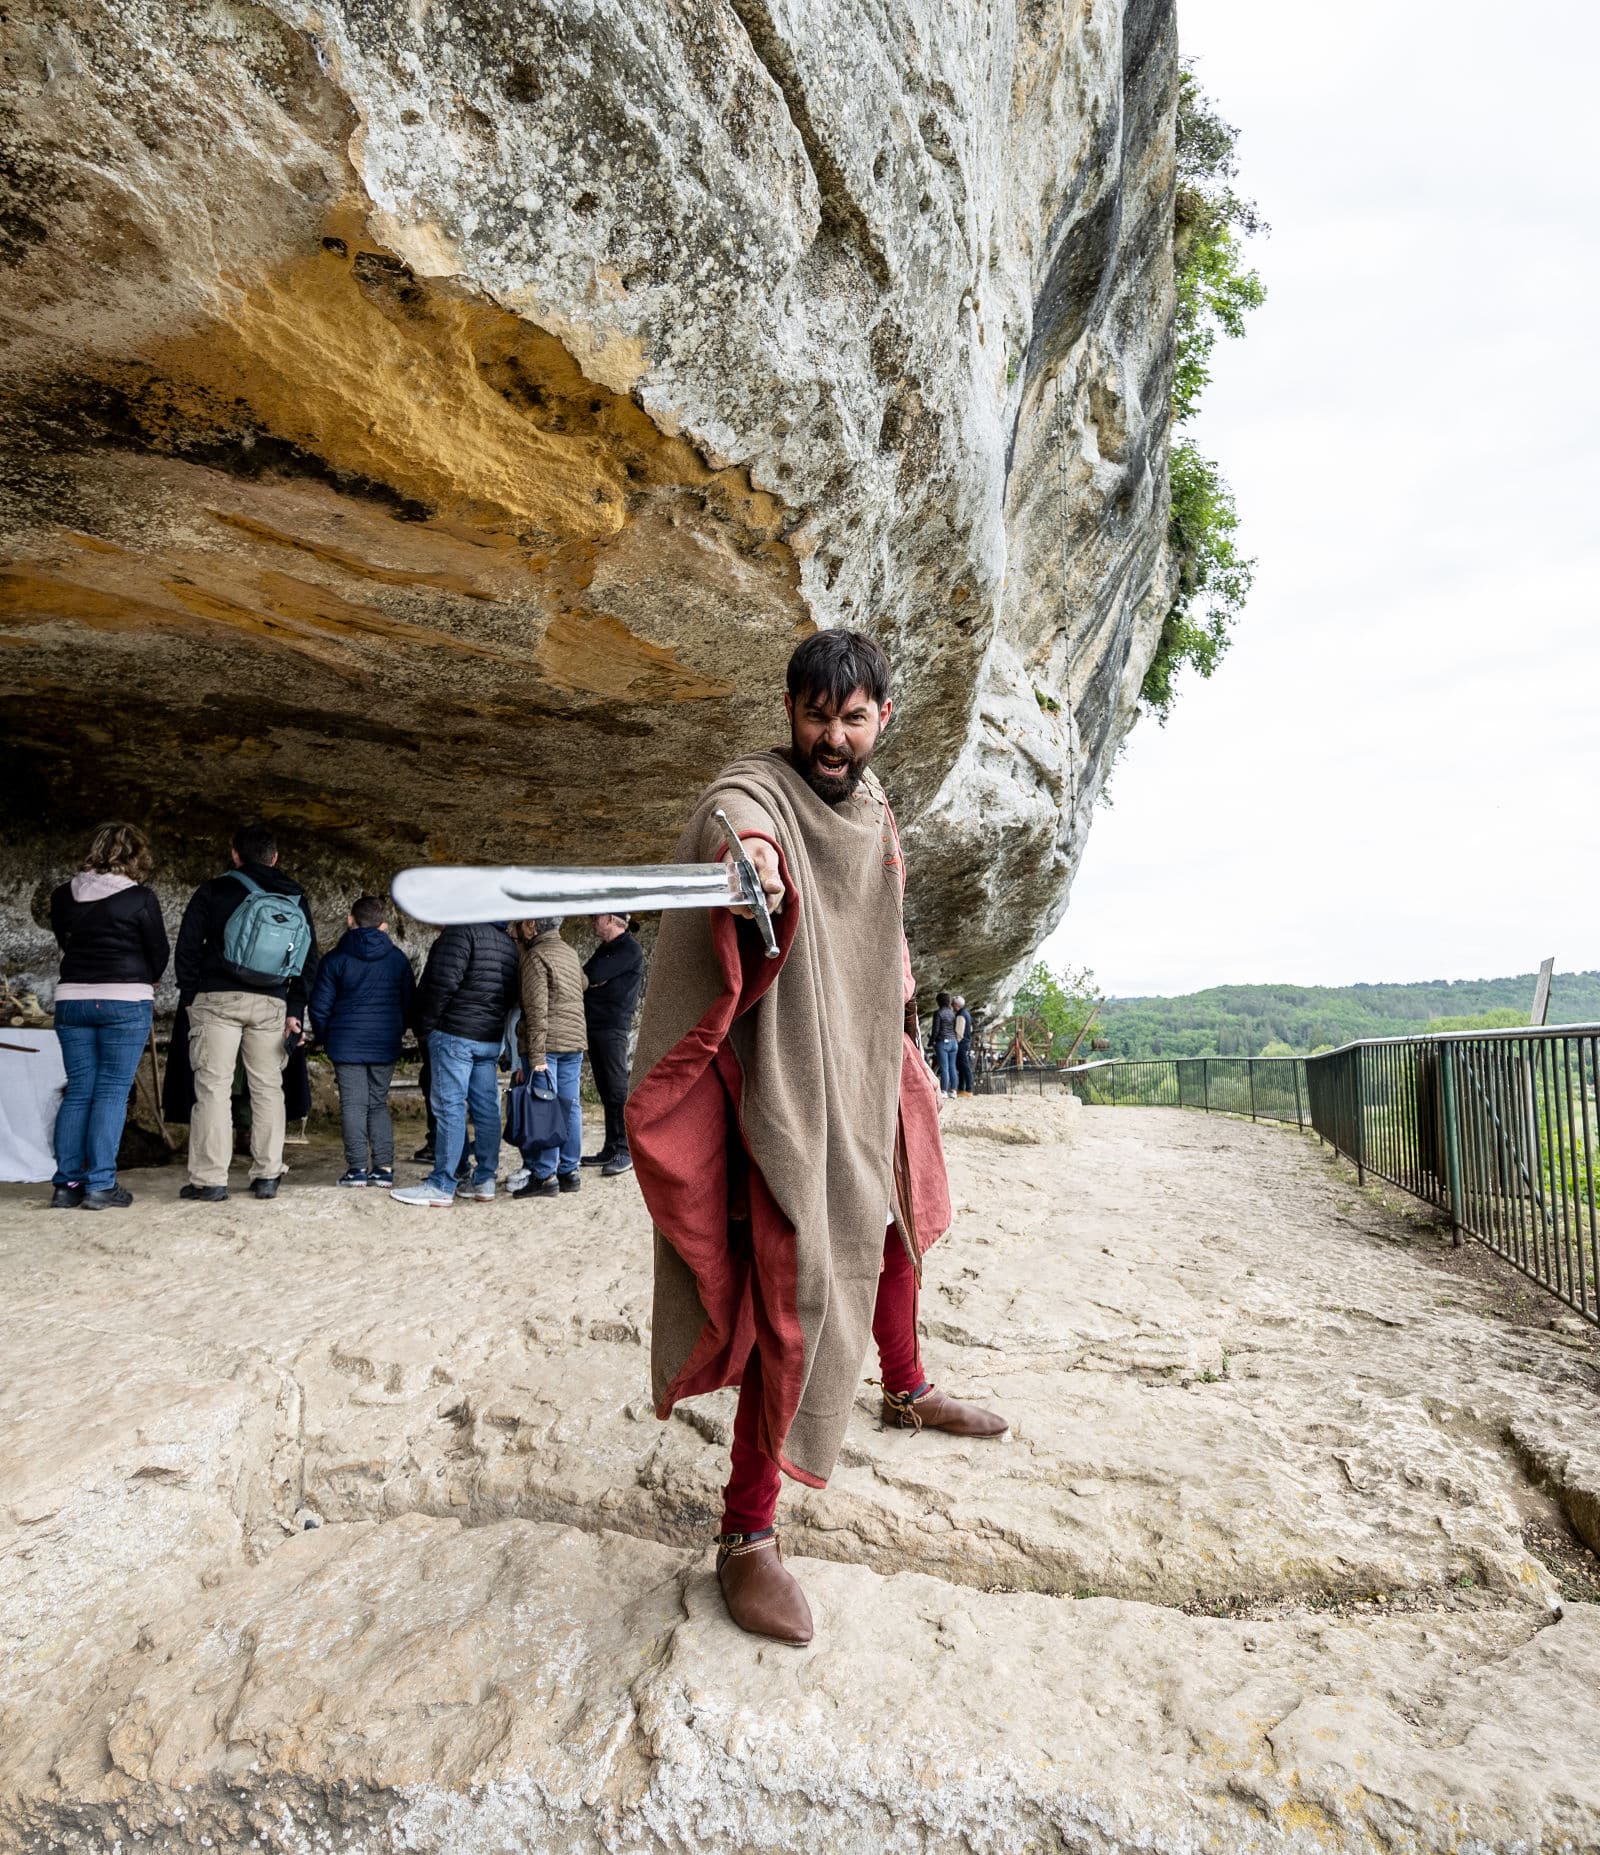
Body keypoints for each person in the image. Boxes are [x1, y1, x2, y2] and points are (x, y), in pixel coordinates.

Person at [628, 629, 1006, 1648]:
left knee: (898, 1221)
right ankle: (746, 1534)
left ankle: (907, 1387)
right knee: (795, 1283)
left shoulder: (876, 806)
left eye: (851, 717)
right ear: (789, 711)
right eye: (813, 715)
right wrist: (749, 859)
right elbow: (735, 813)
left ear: (882, 717)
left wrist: (901, 1005)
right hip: (792, 1064)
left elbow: (874, 912)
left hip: (870, 1050)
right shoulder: (760, 789)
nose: (830, 737)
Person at [175, 823, 318, 1203]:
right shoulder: (295, 896)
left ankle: (210, 1180)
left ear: (234, 854)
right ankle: (268, 1174)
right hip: (271, 1002)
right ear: (275, 857)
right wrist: (296, 1009)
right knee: (268, 1088)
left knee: (214, 1088)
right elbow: (308, 959)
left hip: (217, 998)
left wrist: (192, 996)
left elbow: (187, 948)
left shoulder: (214, 889)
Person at [47, 822, 170, 1210]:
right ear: (137, 856)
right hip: (124, 1000)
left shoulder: (63, 896)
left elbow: (63, 941)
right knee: (112, 1092)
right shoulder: (140, 898)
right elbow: (158, 951)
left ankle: (67, 1184)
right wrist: (148, 980)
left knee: (79, 1089)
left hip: (72, 1000)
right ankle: (101, 1183)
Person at [392, 919, 518, 1207]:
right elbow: (511, 993)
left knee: (449, 1105)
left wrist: (424, 1026)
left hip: (454, 1034)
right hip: (488, 1037)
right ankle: (484, 1180)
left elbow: (440, 984)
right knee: (486, 1108)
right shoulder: (508, 943)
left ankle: (442, 1183)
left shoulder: (461, 933)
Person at [308, 894, 416, 1188]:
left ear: (350, 921)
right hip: (384, 1042)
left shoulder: (334, 959)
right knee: (377, 1103)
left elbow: (319, 1007)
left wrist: (326, 1035)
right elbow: (410, 1004)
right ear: (383, 925)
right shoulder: (397, 960)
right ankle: (383, 1168)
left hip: (346, 1044)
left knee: (353, 1106)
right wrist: (396, 1028)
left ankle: (356, 1169)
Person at [510, 917, 587, 1197]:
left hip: (548, 1044)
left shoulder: (535, 957)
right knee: (571, 1105)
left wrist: (537, 1055)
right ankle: (569, 1171)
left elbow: (536, 1010)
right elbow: (584, 983)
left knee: (546, 1108)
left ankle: (545, 1176)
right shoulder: (570, 952)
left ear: (532, 925)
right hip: (574, 1040)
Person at [582, 913, 644, 1176]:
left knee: (617, 1088)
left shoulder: (629, 948)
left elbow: (593, 974)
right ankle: (610, 1145)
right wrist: (593, 983)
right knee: (607, 1089)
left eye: (596, 917)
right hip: (597, 1025)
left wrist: (594, 983)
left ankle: (624, 1149)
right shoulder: (606, 948)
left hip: (612, 1025)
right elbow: (587, 976)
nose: (592, 921)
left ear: (609, 918)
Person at [932, 991, 959, 1098]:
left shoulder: (938, 1013)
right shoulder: (953, 1013)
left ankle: (944, 1091)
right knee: (953, 1067)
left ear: (939, 1001)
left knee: (944, 1067)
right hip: (954, 1042)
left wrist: (932, 1041)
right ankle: (954, 1091)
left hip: (943, 1042)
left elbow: (936, 1030)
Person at [953, 994, 975, 1097]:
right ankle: (962, 1088)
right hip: (966, 1042)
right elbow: (970, 1029)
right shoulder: (967, 1013)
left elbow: (959, 1031)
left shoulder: (960, 1015)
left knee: (964, 1066)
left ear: (956, 1005)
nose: (952, 1006)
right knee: (962, 1066)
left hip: (961, 1043)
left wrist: (957, 1042)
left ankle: (968, 1089)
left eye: (953, 1004)